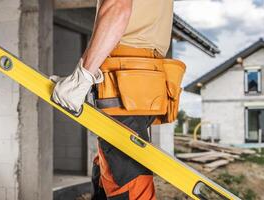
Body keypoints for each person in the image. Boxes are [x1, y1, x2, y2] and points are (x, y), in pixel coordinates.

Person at [50, 0, 174, 199]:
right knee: (108, 166)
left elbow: (118, 6)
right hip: (143, 77)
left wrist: (83, 75)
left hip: (124, 76)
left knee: (126, 179)